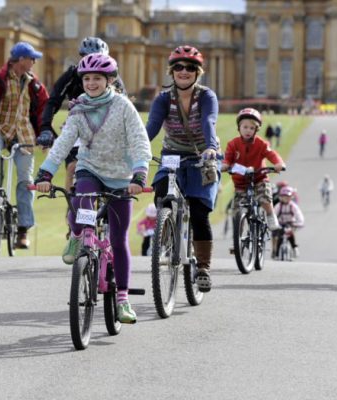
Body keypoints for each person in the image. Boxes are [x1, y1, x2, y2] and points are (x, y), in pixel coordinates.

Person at [34, 53, 152, 323]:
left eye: (97, 78)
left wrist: (139, 174)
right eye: (86, 78)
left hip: (121, 176)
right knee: (80, 202)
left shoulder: (123, 106)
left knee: (119, 240)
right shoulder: (78, 109)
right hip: (91, 168)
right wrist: (46, 172)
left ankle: (122, 299)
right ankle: (78, 237)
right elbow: (63, 143)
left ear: (109, 80)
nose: (91, 83)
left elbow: (139, 141)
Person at [146, 45, 221, 293]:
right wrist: (139, 147)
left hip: (202, 154)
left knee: (199, 212)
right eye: (178, 67)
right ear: (172, 71)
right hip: (172, 155)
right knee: (160, 194)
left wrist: (211, 147)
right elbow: (152, 127)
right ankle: (168, 235)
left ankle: (202, 267)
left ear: (197, 72)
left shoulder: (207, 96)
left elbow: (209, 121)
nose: (184, 71)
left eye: (190, 67)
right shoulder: (163, 98)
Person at [0, 41, 49, 249]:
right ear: (21, 60)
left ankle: (23, 230)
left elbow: (43, 111)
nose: (34, 62)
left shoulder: (34, 83)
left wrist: (45, 136)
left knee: (25, 180)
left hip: (23, 133)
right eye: (32, 59)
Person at [37, 37, 126, 191]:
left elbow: (125, 108)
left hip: (106, 130)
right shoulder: (72, 74)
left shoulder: (113, 78)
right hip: (78, 126)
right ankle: (72, 208)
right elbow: (53, 101)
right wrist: (45, 127)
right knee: (73, 166)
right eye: (87, 57)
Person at [222, 108, 285, 232]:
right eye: (245, 127)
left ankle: (271, 215)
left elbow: (272, 154)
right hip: (241, 182)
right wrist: (225, 165)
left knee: (265, 198)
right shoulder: (233, 144)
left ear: (256, 130)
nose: (248, 131)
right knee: (236, 210)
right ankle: (238, 240)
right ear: (239, 127)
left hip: (259, 178)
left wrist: (279, 163)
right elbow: (228, 158)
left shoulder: (261, 144)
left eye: (252, 128)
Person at [272, 186, 304, 258]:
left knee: (291, 234)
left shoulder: (293, 206)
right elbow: (274, 215)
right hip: (280, 223)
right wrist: (274, 223)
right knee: (279, 236)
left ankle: (294, 248)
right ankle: (276, 253)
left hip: (291, 223)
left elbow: (299, 215)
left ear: (291, 197)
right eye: (284, 196)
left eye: (288, 196)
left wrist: (299, 223)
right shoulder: (278, 206)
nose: (286, 198)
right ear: (281, 197)